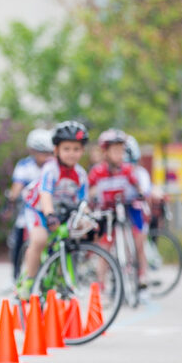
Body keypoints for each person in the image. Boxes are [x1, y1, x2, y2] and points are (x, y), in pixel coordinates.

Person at [15, 121, 89, 300]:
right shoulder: (51, 169)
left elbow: (83, 203)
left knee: (69, 239)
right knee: (39, 239)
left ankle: (60, 277)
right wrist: (49, 214)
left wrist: (88, 220)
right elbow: (45, 194)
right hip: (39, 209)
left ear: (82, 151)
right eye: (66, 149)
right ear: (56, 150)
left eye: (76, 149)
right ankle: (29, 280)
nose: (72, 153)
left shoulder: (81, 174)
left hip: (61, 213)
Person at [89, 129, 148, 298]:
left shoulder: (127, 169)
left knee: (139, 241)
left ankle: (142, 275)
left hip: (126, 208)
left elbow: (137, 186)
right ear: (105, 153)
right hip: (107, 212)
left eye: (121, 151)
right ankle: (101, 286)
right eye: (115, 151)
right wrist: (93, 195)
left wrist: (140, 192)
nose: (119, 155)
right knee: (104, 249)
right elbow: (88, 189)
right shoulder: (97, 171)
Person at [6, 128, 54, 282]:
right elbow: (17, 187)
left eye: (49, 153)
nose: (46, 156)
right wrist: (11, 201)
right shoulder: (25, 165)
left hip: (48, 207)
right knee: (19, 239)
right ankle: (15, 275)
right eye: (42, 153)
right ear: (33, 151)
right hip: (29, 208)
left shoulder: (52, 166)